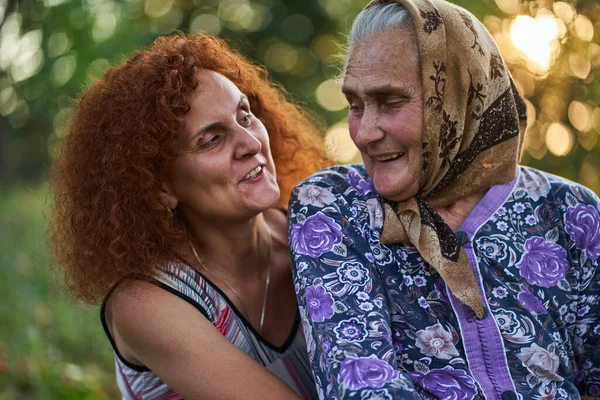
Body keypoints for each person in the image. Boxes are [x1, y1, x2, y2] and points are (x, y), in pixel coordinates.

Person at [288, 0, 600, 399]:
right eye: (355, 105)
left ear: (459, 98)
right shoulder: (334, 207)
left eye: (390, 102)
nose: (364, 132)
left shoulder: (568, 211)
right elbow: (361, 385)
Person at [50, 33, 330, 399]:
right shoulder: (146, 304)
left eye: (245, 116)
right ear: (159, 186)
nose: (251, 143)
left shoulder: (322, 236)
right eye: (212, 139)